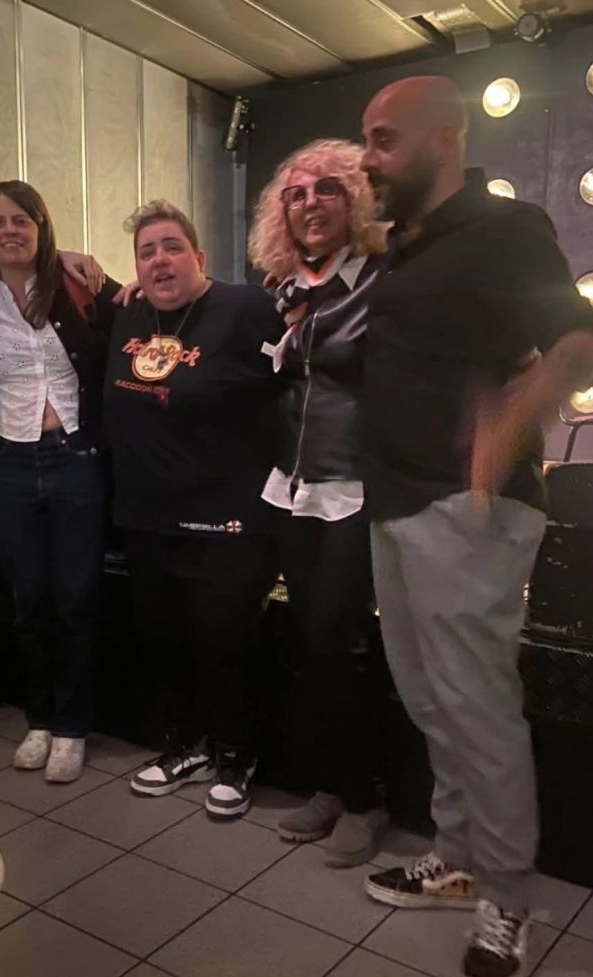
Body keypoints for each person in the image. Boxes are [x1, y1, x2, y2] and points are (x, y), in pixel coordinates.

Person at [356, 77, 593, 977]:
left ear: (445, 139)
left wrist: (508, 428)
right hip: (398, 503)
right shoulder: (410, 246)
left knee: (478, 710)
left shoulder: (505, 230)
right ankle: (459, 857)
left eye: (385, 139)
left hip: (466, 510)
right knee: (434, 701)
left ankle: (506, 898)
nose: (369, 158)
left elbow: (582, 341)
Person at [107, 200, 284, 817]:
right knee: (167, 641)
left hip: (227, 519)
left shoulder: (245, 308)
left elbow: (296, 383)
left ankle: (237, 755)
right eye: (147, 252)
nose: (159, 260)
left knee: (226, 642)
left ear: (199, 256)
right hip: (147, 518)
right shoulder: (129, 312)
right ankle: (186, 747)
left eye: (172, 247)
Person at [248, 139, 390, 864]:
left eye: (327, 189)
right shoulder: (276, 287)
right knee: (311, 640)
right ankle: (333, 784)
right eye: (297, 194)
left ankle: (366, 800)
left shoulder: (381, 279)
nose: (310, 204)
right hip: (289, 489)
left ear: (355, 199)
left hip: (353, 486)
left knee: (342, 639)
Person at [0, 180, 118, 783]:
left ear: (42, 227)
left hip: (77, 458)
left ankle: (73, 726)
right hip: (12, 462)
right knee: (29, 602)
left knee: (77, 599)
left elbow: (134, 313)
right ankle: (39, 720)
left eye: (22, 220)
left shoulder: (77, 287)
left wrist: (74, 259)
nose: (10, 231)